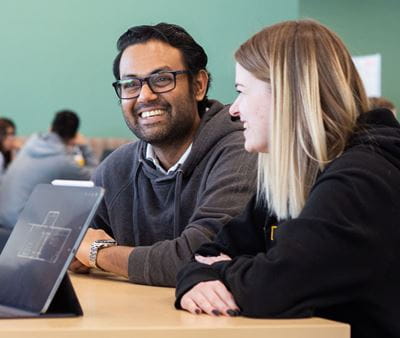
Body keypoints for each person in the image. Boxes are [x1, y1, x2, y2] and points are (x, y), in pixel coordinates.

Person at [175, 20, 400, 338]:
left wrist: (220, 272)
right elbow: (205, 253)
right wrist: (197, 277)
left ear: (287, 93)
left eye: (242, 92)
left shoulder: (363, 177)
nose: (233, 111)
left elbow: (275, 287)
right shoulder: (294, 175)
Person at [71, 23, 257, 286]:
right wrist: (71, 253)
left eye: (162, 79)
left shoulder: (242, 150)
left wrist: (98, 254)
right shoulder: (117, 169)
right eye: (130, 84)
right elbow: (71, 242)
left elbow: (200, 257)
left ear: (199, 85)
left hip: (223, 324)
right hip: (138, 320)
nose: (145, 96)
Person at [0, 110, 98, 230]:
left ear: (50, 127)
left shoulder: (30, 144)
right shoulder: (63, 162)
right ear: (74, 136)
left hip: (3, 218)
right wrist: (85, 145)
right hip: (20, 224)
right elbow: (96, 176)